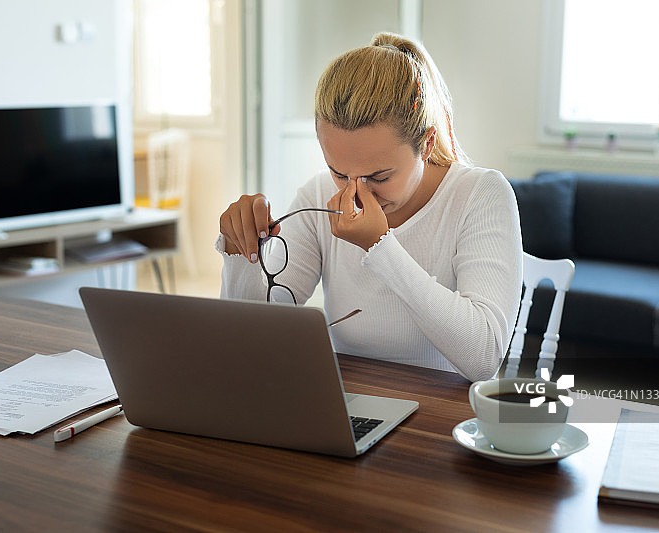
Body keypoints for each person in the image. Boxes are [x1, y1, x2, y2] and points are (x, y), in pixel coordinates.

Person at [217, 32, 522, 381]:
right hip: (347, 409)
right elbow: (253, 338)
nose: (356, 194)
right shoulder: (315, 196)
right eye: (338, 172)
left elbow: (484, 357)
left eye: (378, 176)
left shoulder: (480, 195)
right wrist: (241, 253)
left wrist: (380, 247)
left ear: (426, 144)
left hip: (445, 416)